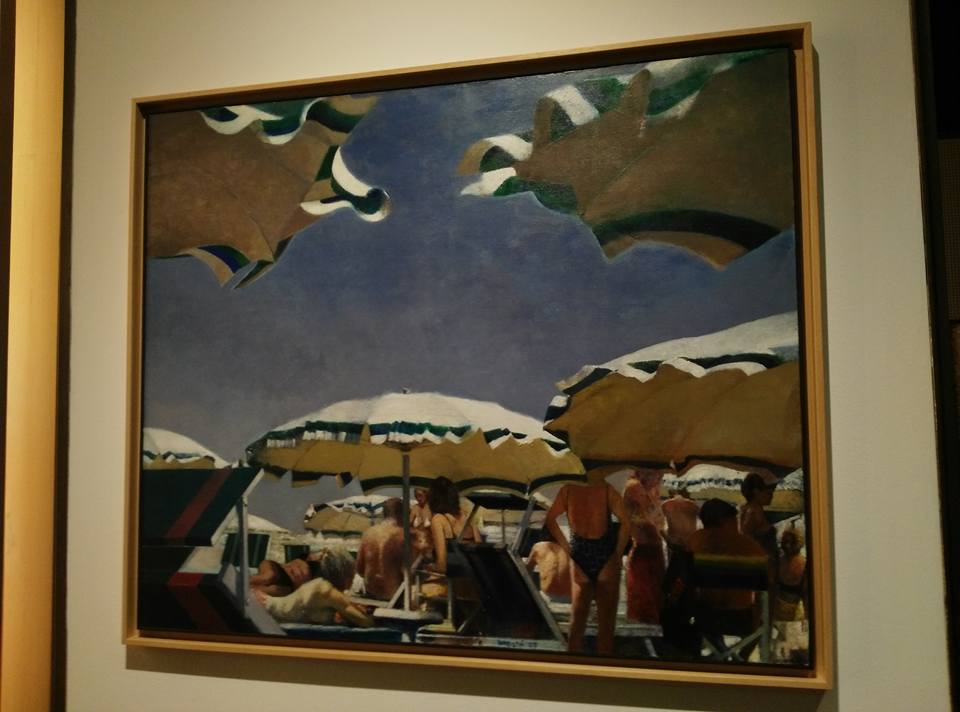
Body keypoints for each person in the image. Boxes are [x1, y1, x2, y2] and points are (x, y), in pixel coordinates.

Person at [544, 466, 631, 655]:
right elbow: (626, 523)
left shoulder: (568, 489)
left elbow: (550, 520)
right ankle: (603, 668)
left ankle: (572, 666)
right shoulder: (606, 489)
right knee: (606, 625)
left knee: (577, 622)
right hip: (604, 552)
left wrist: (568, 550)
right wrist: (617, 553)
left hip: (579, 551)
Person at [253, 546, 373, 627]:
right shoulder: (317, 581)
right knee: (268, 577)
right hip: (276, 571)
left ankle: (248, 591)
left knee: (274, 588)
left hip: (283, 584)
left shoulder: (313, 582)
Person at [622, 468, 667, 624]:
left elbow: (658, 519)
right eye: (657, 474)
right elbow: (651, 516)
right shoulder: (634, 486)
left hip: (650, 544)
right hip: (644, 545)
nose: (659, 477)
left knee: (652, 592)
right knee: (646, 594)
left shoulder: (649, 488)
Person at [355, 497, 405, 600]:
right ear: (401, 514)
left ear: (384, 513)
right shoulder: (402, 535)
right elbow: (408, 572)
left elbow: (359, 569)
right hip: (394, 597)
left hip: (371, 594)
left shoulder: (368, 533)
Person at [525, 535, 572, 601]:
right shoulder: (571, 549)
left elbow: (526, 571)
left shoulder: (538, 546)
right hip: (570, 596)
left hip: (548, 596)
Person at [775, 528, 807, 621]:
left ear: (796, 543)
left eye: (787, 542)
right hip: (777, 614)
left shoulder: (805, 565)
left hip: (796, 617)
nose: (784, 545)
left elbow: (806, 596)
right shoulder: (778, 562)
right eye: (783, 542)